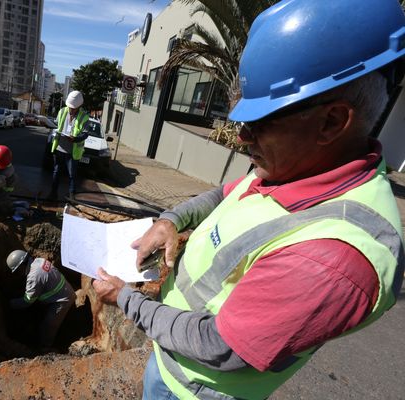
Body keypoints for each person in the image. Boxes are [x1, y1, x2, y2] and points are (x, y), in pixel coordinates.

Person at [93, 0, 405, 399]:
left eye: (259, 124)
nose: (242, 138)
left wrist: (125, 298)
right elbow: (224, 194)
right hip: (170, 362)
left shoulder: (334, 257)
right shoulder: (290, 168)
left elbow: (220, 347)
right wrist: (171, 219)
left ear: (331, 121)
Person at [6, 250, 77, 349]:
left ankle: (45, 348)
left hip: (62, 301)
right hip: (66, 290)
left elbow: (27, 301)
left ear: (22, 265)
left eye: (18, 270)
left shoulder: (34, 277)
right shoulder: (39, 261)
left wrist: (9, 304)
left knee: (47, 327)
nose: (19, 273)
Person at [48, 90, 90, 200]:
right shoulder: (62, 111)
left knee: (72, 176)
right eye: (70, 107)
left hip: (72, 152)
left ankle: (72, 198)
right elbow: (56, 125)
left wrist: (75, 139)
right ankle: (53, 194)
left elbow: (85, 134)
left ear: (79, 106)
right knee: (56, 172)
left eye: (73, 108)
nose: (71, 109)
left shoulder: (84, 117)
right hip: (59, 148)